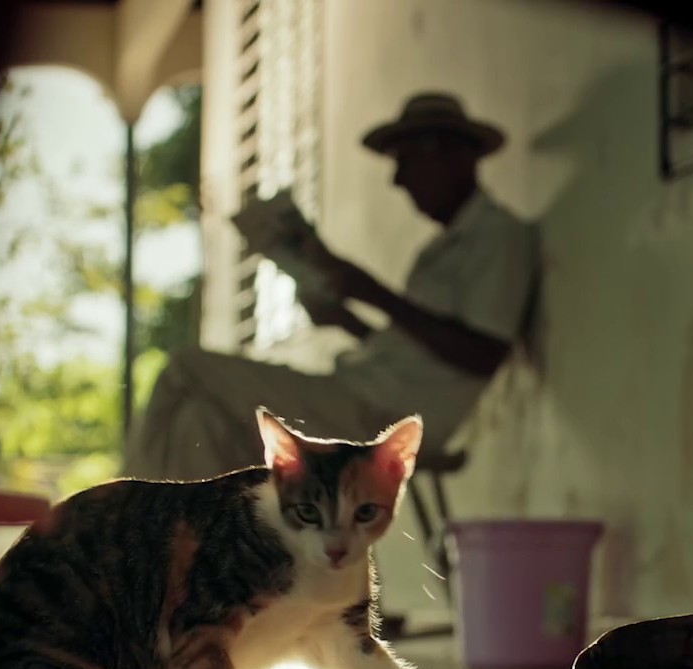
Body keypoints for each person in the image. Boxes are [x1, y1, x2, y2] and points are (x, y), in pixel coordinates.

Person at [123, 92, 539, 481]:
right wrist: (346, 320)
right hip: (359, 396)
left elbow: (482, 354)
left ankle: (122, 510)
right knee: (199, 422)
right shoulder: (444, 247)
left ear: (453, 156)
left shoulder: (499, 237)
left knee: (187, 367)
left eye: (406, 161)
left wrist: (373, 291)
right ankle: (191, 551)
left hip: (379, 412)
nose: (398, 180)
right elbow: (421, 355)